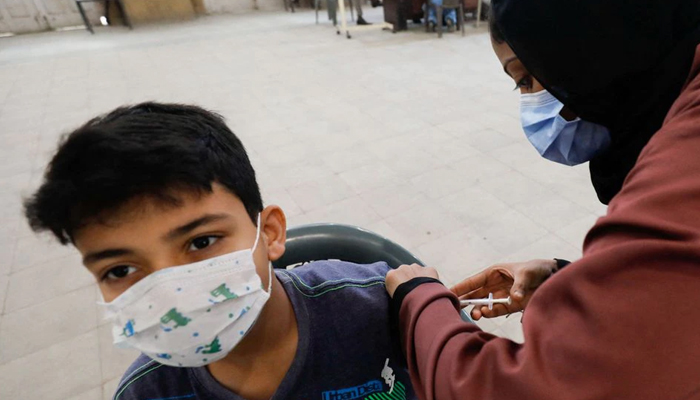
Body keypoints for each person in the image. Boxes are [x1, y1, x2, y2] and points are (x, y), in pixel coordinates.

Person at [385, 0, 700, 399]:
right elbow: (666, 306)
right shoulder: (674, 100)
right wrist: (571, 280)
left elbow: (548, 386)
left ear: (593, 50)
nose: (531, 106)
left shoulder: (686, 162)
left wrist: (421, 304)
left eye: (528, 79)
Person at [23, 102, 415, 400]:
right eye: (121, 270)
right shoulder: (147, 393)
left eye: (200, 242)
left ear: (270, 233)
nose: (168, 288)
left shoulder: (383, 312)